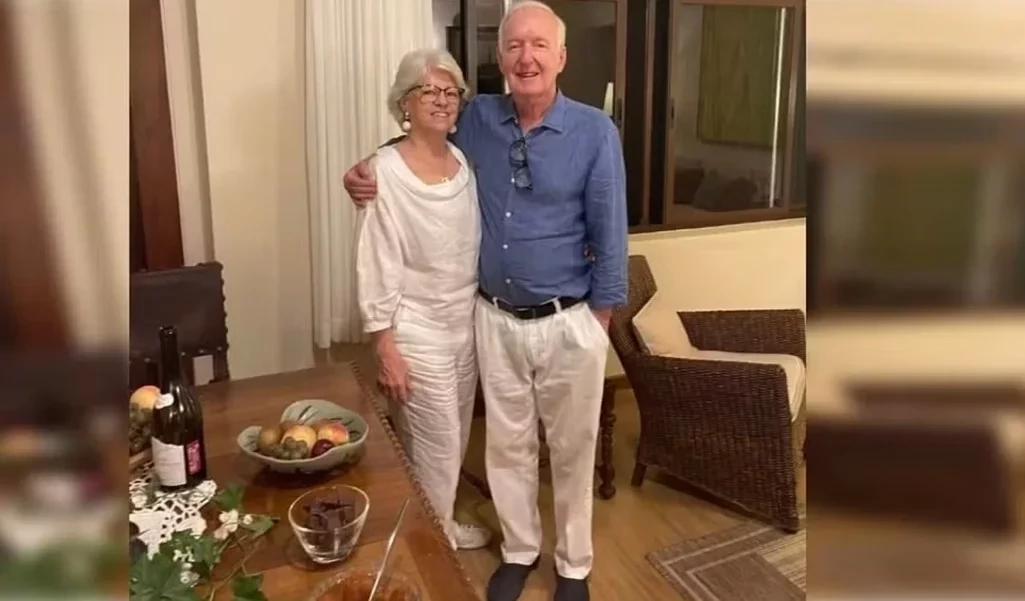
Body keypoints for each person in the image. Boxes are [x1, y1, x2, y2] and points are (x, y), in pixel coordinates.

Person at [346, 3, 627, 600]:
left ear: (561, 57)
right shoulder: (477, 119)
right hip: (493, 318)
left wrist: (599, 319)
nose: (526, 57)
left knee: (573, 450)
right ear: (499, 58)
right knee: (508, 446)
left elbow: (611, 231)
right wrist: (366, 169)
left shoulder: (594, 132)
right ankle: (520, 550)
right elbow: (422, 134)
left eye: (539, 45)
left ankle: (573, 565)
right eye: (514, 45)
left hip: (569, 319)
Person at [355, 47, 492, 552]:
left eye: (450, 91)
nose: (441, 99)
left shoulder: (463, 162)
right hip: (414, 329)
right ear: (404, 103)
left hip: (465, 326)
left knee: (455, 440)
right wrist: (385, 345)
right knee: (435, 446)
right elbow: (375, 262)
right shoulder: (383, 173)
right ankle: (436, 554)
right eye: (427, 90)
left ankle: (435, 528)